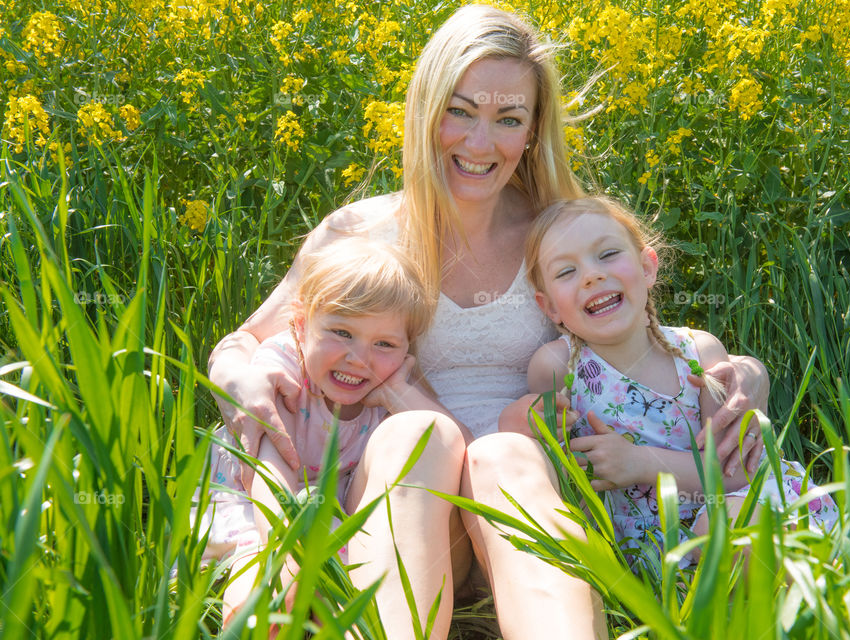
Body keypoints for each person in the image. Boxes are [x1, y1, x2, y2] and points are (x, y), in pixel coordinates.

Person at [207, 5, 768, 638]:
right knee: (420, 433)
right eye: (460, 110)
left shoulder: (559, 236)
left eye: (507, 119)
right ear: (425, 110)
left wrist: (745, 372)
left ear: (533, 130)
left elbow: (640, 338)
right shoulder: (363, 233)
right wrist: (239, 378)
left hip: (539, 496)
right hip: (404, 508)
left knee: (503, 452)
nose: (480, 143)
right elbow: (246, 342)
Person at [521, 196, 839, 571]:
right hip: (656, 548)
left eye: (607, 254)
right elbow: (536, 447)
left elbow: (735, 473)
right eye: (566, 272)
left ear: (646, 267)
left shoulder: (697, 353)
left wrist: (639, 462)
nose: (591, 275)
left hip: (738, 507)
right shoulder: (557, 367)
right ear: (550, 308)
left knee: (728, 527)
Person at [199, 238, 439, 623]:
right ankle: (255, 619)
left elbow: (443, 437)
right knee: (257, 567)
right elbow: (265, 468)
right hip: (256, 501)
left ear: (407, 352)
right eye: (342, 333)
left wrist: (398, 389)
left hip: (324, 510)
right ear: (300, 324)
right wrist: (287, 548)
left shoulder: (385, 398)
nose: (358, 358)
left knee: (350, 566)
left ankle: (335, 620)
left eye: (384, 343)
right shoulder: (282, 370)